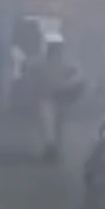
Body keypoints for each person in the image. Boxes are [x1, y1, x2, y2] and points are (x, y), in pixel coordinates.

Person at [34, 32, 83, 162]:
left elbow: (77, 78)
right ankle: (51, 147)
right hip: (48, 98)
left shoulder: (68, 62)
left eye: (55, 46)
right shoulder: (41, 63)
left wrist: (67, 86)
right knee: (48, 122)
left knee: (57, 124)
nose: (54, 49)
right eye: (52, 46)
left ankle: (54, 147)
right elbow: (36, 80)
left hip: (62, 98)